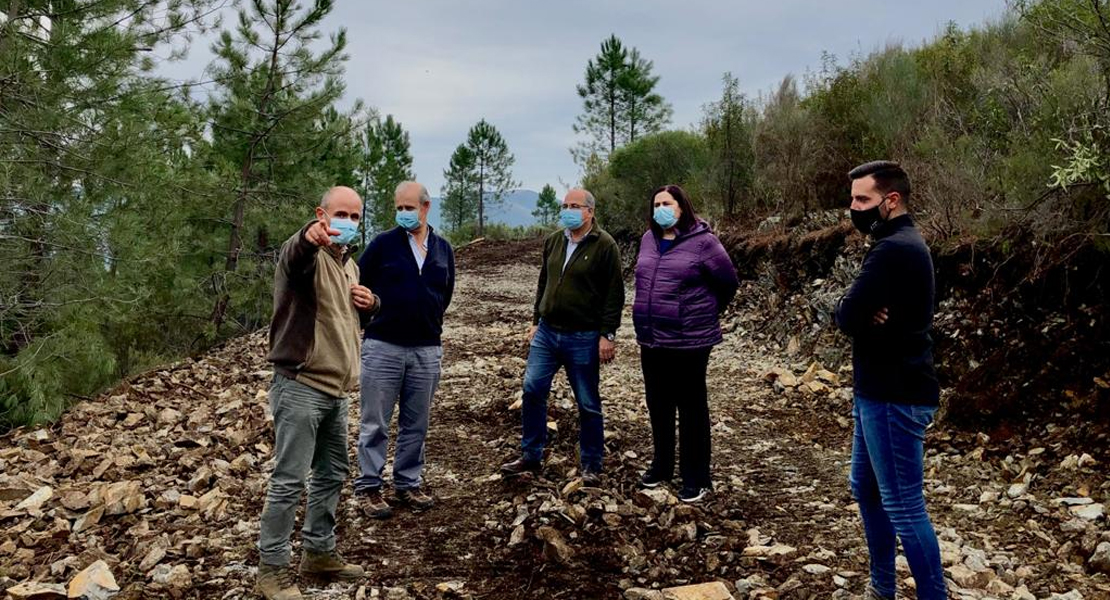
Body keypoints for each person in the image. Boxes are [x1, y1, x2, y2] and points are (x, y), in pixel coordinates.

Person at [258, 186, 376, 600]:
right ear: (321, 215)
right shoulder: (306, 260)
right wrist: (309, 235)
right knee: (289, 480)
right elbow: (294, 252)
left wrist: (371, 305)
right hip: (301, 386)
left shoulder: (350, 267)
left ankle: (319, 553)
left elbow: (343, 323)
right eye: (340, 214)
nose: (348, 222)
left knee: (331, 473)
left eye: (356, 217)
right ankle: (272, 570)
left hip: (337, 390)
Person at [835, 161, 945, 600]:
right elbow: (853, 310)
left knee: (903, 504)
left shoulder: (896, 247)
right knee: (864, 486)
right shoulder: (890, 243)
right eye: (853, 199)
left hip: (896, 392)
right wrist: (861, 313)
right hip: (874, 389)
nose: (854, 208)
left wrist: (857, 313)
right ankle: (883, 586)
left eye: (863, 200)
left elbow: (845, 314)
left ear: (891, 200)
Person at [500, 188, 624, 484]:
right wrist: (535, 319)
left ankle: (592, 464)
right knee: (531, 390)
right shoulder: (554, 241)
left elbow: (614, 294)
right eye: (565, 205)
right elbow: (544, 282)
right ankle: (531, 455)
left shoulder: (605, 245)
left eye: (575, 205)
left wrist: (607, 334)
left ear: (590, 211)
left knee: (587, 401)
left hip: (583, 336)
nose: (568, 210)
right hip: (547, 332)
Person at [353, 181, 455, 519]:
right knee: (375, 422)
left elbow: (445, 294)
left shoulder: (443, 250)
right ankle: (369, 486)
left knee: (417, 422)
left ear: (426, 208)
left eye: (409, 207)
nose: (403, 213)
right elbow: (358, 284)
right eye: (399, 207)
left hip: (426, 348)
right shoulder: (382, 245)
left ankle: (407, 483)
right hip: (383, 345)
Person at [632, 184, 738, 503]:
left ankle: (697, 477)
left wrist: (702, 313)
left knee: (691, 408)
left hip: (690, 340)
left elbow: (728, 282)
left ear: (682, 207)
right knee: (658, 404)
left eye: (667, 203)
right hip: (652, 338)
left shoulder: (704, 242)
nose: (661, 208)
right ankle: (662, 466)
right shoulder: (648, 240)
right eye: (656, 204)